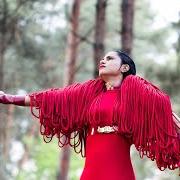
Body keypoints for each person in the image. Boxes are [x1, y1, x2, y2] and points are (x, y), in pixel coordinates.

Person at [0, 50, 180, 179]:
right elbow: (52, 98)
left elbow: (161, 109)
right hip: (93, 165)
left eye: (109, 58)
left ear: (124, 68)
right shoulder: (91, 92)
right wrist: (9, 98)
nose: (103, 60)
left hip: (118, 167)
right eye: (102, 58)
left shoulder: (134, 92)